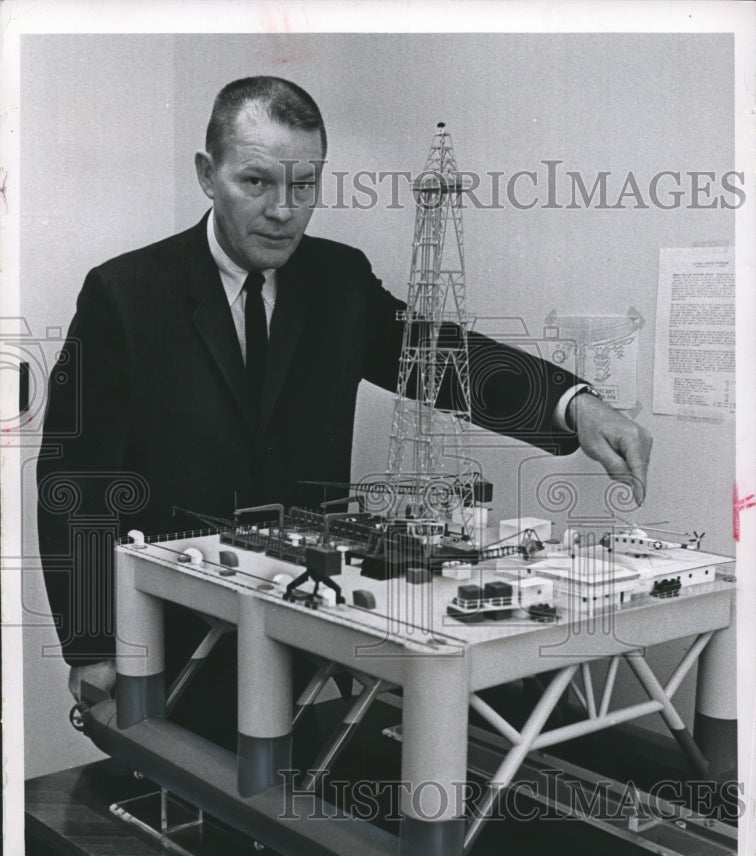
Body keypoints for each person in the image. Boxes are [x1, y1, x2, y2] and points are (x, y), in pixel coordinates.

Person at [37, 76, 652, 715]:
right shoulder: (124, 295)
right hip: (172, 636)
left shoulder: (338, 279)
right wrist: (91, 647)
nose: (283, 210)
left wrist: (574, 404)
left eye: (304, 185)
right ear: (206, 173)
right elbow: (75, 482)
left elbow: (439, 359)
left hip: (309, 628)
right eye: (257, 182)